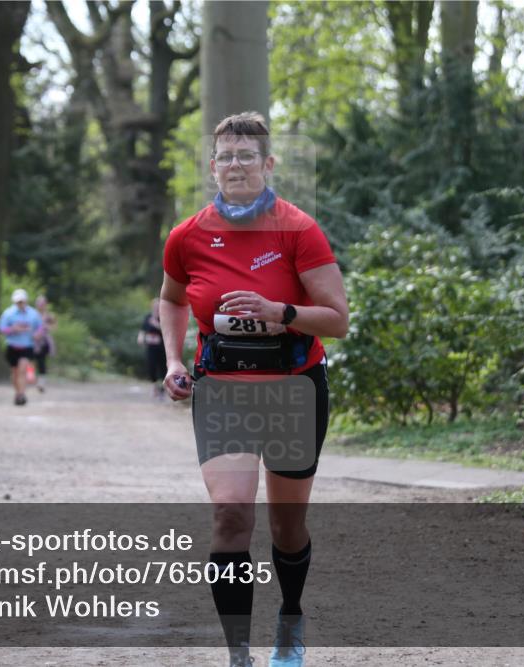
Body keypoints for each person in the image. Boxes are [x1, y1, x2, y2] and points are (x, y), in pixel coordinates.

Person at [160, 112, 349, 667]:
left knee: (286, 526)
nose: (235, 164)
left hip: (294, 390)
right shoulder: (187, 236)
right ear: (212, 166)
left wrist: (281, 312)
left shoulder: (299, 229)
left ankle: (290, 621)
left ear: (268, 164)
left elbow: (336, 320)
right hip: (223, 390)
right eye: (226, 156)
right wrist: (173, 359)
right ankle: (238, 653)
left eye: (247, 155)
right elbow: (171, 299)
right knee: (230, 517)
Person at [0, 289, 42, 406]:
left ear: (26, 301)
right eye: (18, 302)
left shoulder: (33, 314)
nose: (20, 304)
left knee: (23, 370)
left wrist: (38, 334)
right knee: (15, 372)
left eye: (22, 301)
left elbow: (40, 327)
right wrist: (13, 329)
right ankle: (17, 393)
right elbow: (1, 329)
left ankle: (22, 394)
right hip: (12, 346)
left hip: (27, 346)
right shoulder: (8, 314)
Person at [137, 297, 167, 399]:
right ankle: (154, 387)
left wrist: (157, 325)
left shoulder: (164, 316)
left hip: (162, 347)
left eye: (158, 306)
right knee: (151, 366)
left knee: (163, 368)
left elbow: (166, 331)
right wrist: (140, 338)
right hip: (151, 346)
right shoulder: (148, 317)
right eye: (154, 306)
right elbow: (143, 329)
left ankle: (163, 389)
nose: (156, 308)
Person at [32, 295, 57, 393]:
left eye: (43, 304)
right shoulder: (32, 314)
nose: (41, 306)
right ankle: (31, 378)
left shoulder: (49, 316)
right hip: (32, 341)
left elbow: (54, 326)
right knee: (31, 360)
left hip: (44, 342)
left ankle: (41, 383)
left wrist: (46, 328)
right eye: (39, 304)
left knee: (41, 361)